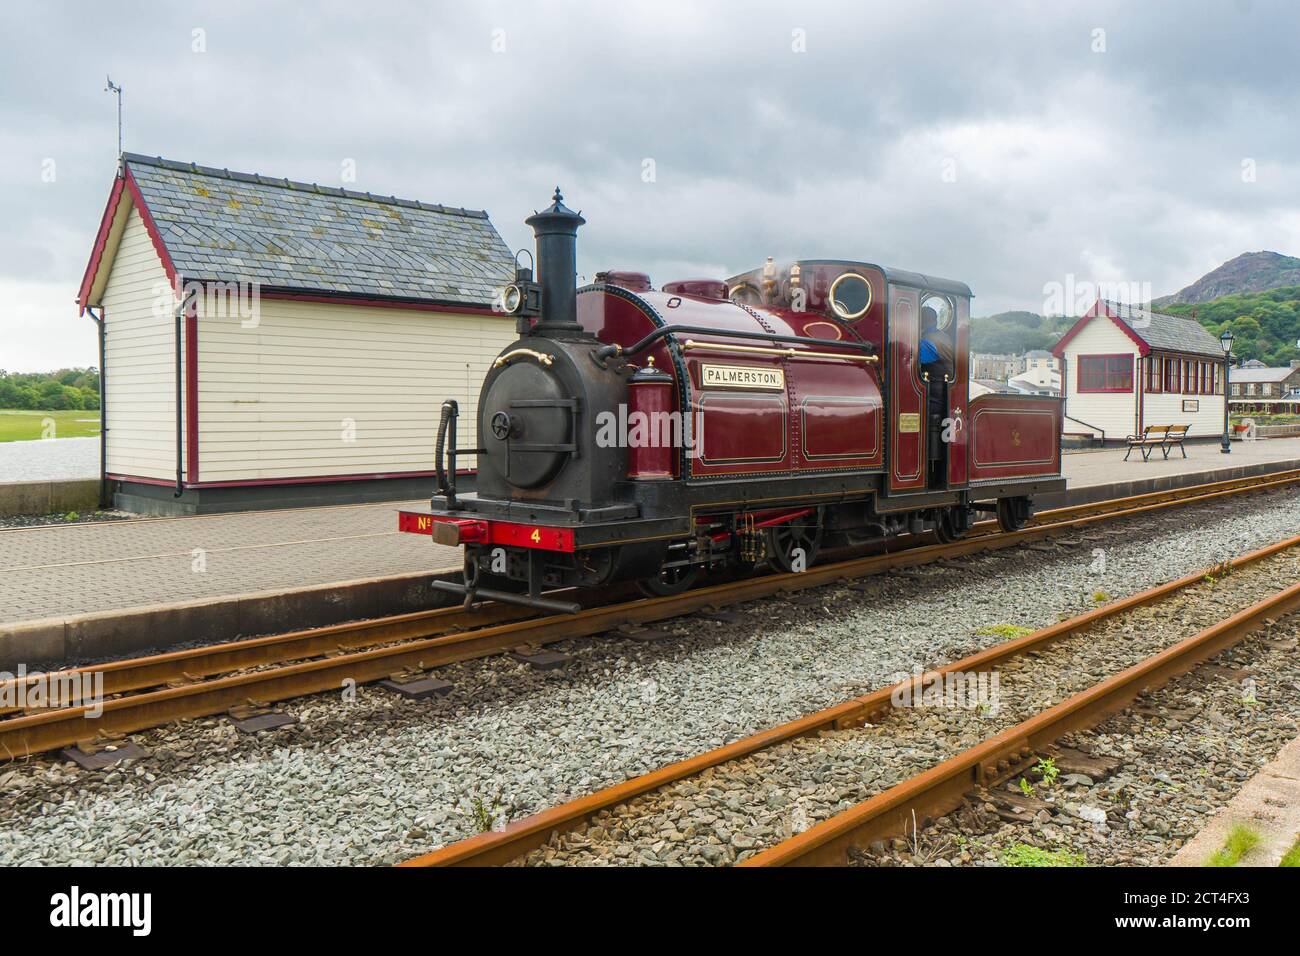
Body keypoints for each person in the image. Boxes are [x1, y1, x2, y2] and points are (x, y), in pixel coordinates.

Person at [919, 306, 955, 485]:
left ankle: (921, 472)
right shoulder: (941, 337)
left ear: (921, 321)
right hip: (939, 393)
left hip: (936, 397)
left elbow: (906, 357)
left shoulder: (930, 342)